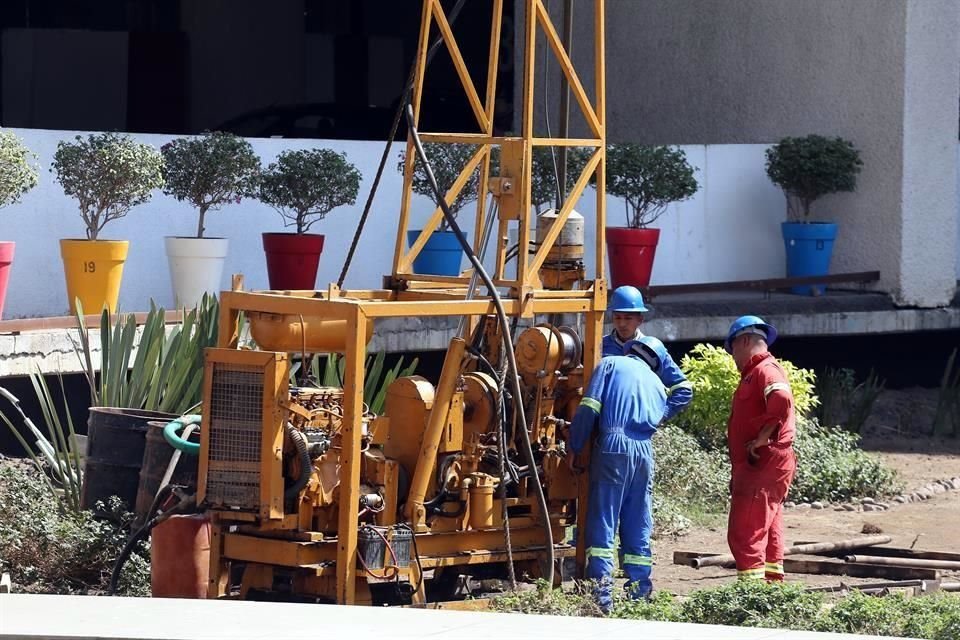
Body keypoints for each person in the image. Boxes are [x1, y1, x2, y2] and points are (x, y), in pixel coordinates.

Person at [567, 338, 668, 613]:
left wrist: (575, 445)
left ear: (630, 351)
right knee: (638, 518)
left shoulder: (610, 364)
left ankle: (601, 597)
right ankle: (639, 594)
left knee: (604, 518)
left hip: (614, 445)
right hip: (645, 451)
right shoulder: (658, 385)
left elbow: (589, 407)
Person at [724, 315, 797, 583]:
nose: (733, 358)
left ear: (743, 341)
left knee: (746, 532)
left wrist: (763, 437)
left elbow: (781, 399)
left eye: (732, 351)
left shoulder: (765, 370)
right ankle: (771, 589)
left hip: (762, 463)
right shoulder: (758, 372)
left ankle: (751, 597)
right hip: (761, 464)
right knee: (768, 529)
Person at [602, 285, 693, 416]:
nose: (622, 324)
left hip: (638, 427)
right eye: (617, 317)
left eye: (628, 318)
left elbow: (683, 388)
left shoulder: (652, 350)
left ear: (640, 320)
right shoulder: (600, 346)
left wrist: (662, 414)